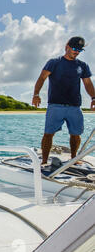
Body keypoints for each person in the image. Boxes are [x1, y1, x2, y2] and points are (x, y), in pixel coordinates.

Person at [32, 36, 95, 165]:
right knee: (48, 134)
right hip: (55, 106)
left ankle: (73, 158)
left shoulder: (82, 66)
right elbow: (42, 78)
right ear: (67, 47)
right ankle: (44, 161)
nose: (76, 52)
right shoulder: (54, 62)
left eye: (79, 50)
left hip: (74, 106)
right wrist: (36, 94)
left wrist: (94, 98)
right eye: (74, 48)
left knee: (76, 135)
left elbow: (88, 84)